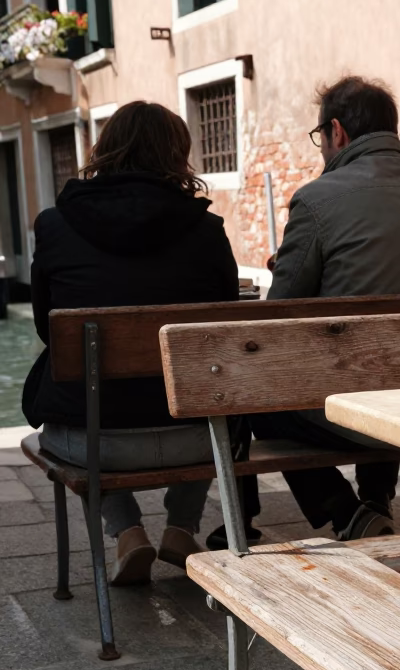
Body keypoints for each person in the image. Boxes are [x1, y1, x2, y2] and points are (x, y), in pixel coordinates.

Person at [233, 75, 400, 543]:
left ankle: (344, 512)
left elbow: (278, 317)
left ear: (337, 132)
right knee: (390, 359)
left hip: (360, 407)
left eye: (320, 137)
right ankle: (376, 500)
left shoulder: (317, 199)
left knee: (253, 396)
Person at [22, 101, 239, 585]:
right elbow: (224, 330)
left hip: (94, 444)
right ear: (177, 155)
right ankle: (182, 528)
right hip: (196, 439)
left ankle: (126, 532)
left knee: (80, 396)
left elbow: (46, 327)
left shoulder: (54, 225)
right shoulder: (207, 231)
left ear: (105, 151)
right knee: (208, 393)